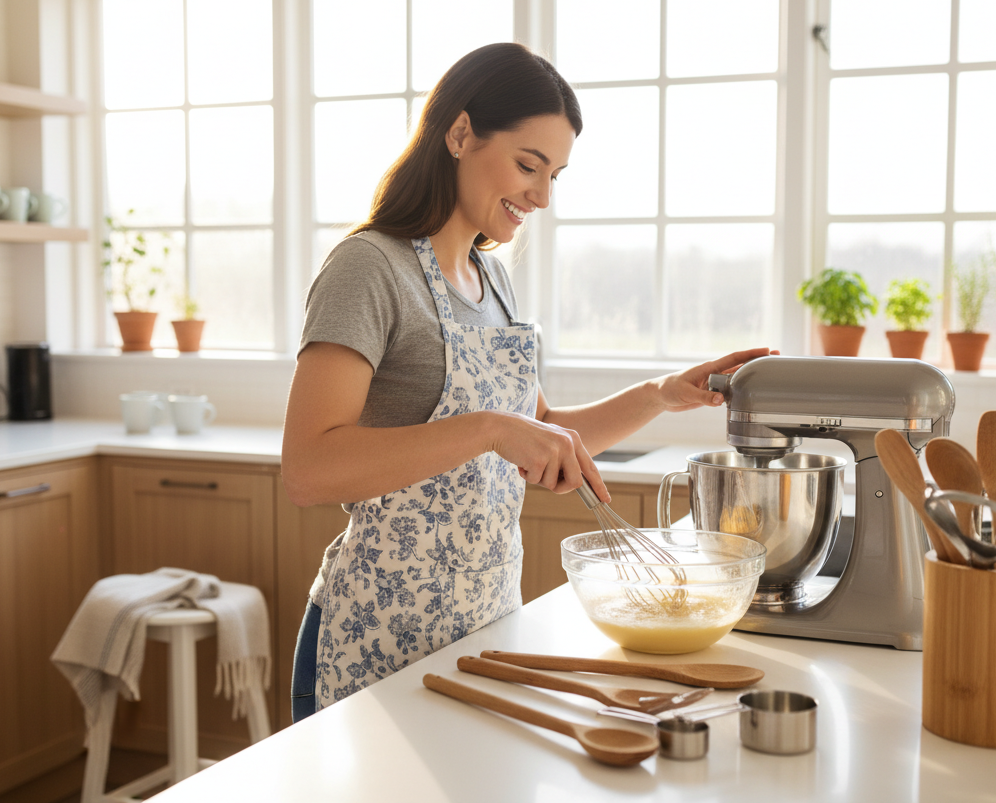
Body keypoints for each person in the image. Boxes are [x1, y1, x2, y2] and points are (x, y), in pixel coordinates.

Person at [283, 42, 772, 721]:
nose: (541, 196)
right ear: (459, 133)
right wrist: (489, 429)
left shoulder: (494, 283)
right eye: (528, 165)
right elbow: (308, 469)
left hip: (482, 632)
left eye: (556, 175)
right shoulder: (369, 269)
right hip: (374, 640)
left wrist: (662, 395)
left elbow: (542, 437)